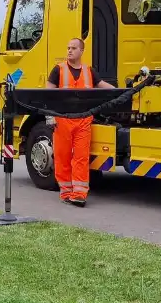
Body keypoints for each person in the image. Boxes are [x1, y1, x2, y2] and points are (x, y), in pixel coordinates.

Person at [46, 38, 114, 207]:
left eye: (73, 48)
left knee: (81, 158)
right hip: (62, 120)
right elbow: (47, 96)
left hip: (83, 121)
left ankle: (79, 194)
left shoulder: (89, 71)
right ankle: (66, 192)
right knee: (62, 157)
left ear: (82, 51)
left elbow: (102, 85)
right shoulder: (58, 70)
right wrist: (49, 116)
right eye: (68, 48)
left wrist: (123, 93)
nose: (69, 51)